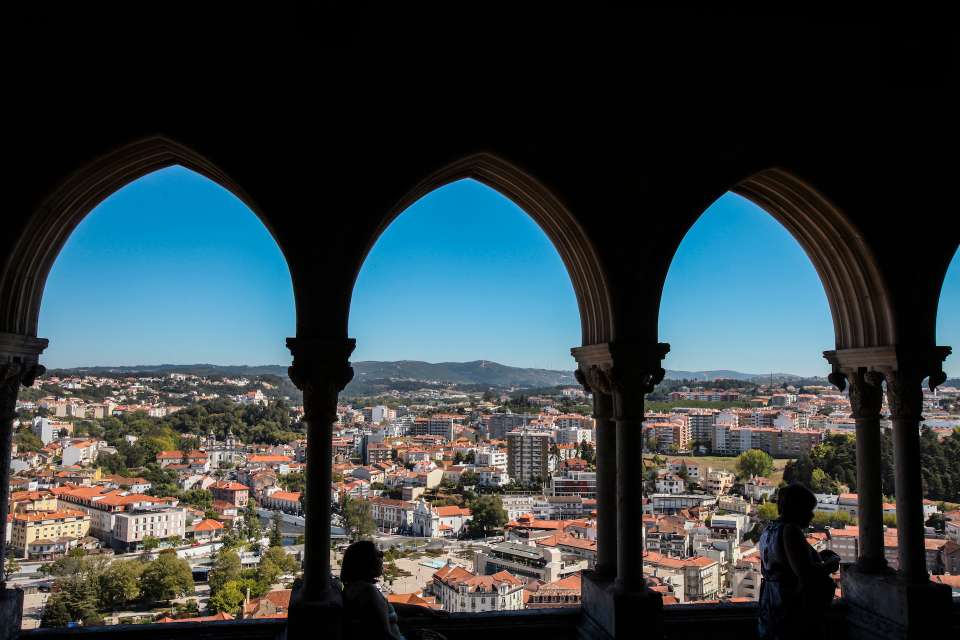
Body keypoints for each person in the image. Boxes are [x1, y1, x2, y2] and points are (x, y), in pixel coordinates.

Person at [758, 484, 840, 640]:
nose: (812, 516)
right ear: (797, 509)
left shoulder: (769, 529)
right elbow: (805, 574)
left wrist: (817, 556)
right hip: (793, 609)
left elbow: (786, 561)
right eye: (808, 510)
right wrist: (831, 564)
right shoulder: (790, 531)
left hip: (770, 605)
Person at [340, 540, 445, 640]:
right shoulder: (368, 592)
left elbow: (385, 607)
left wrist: (422, 609)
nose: (383, 557)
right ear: (367, 562)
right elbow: (385, 636)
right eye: (379, 554)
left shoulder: (355, 588)